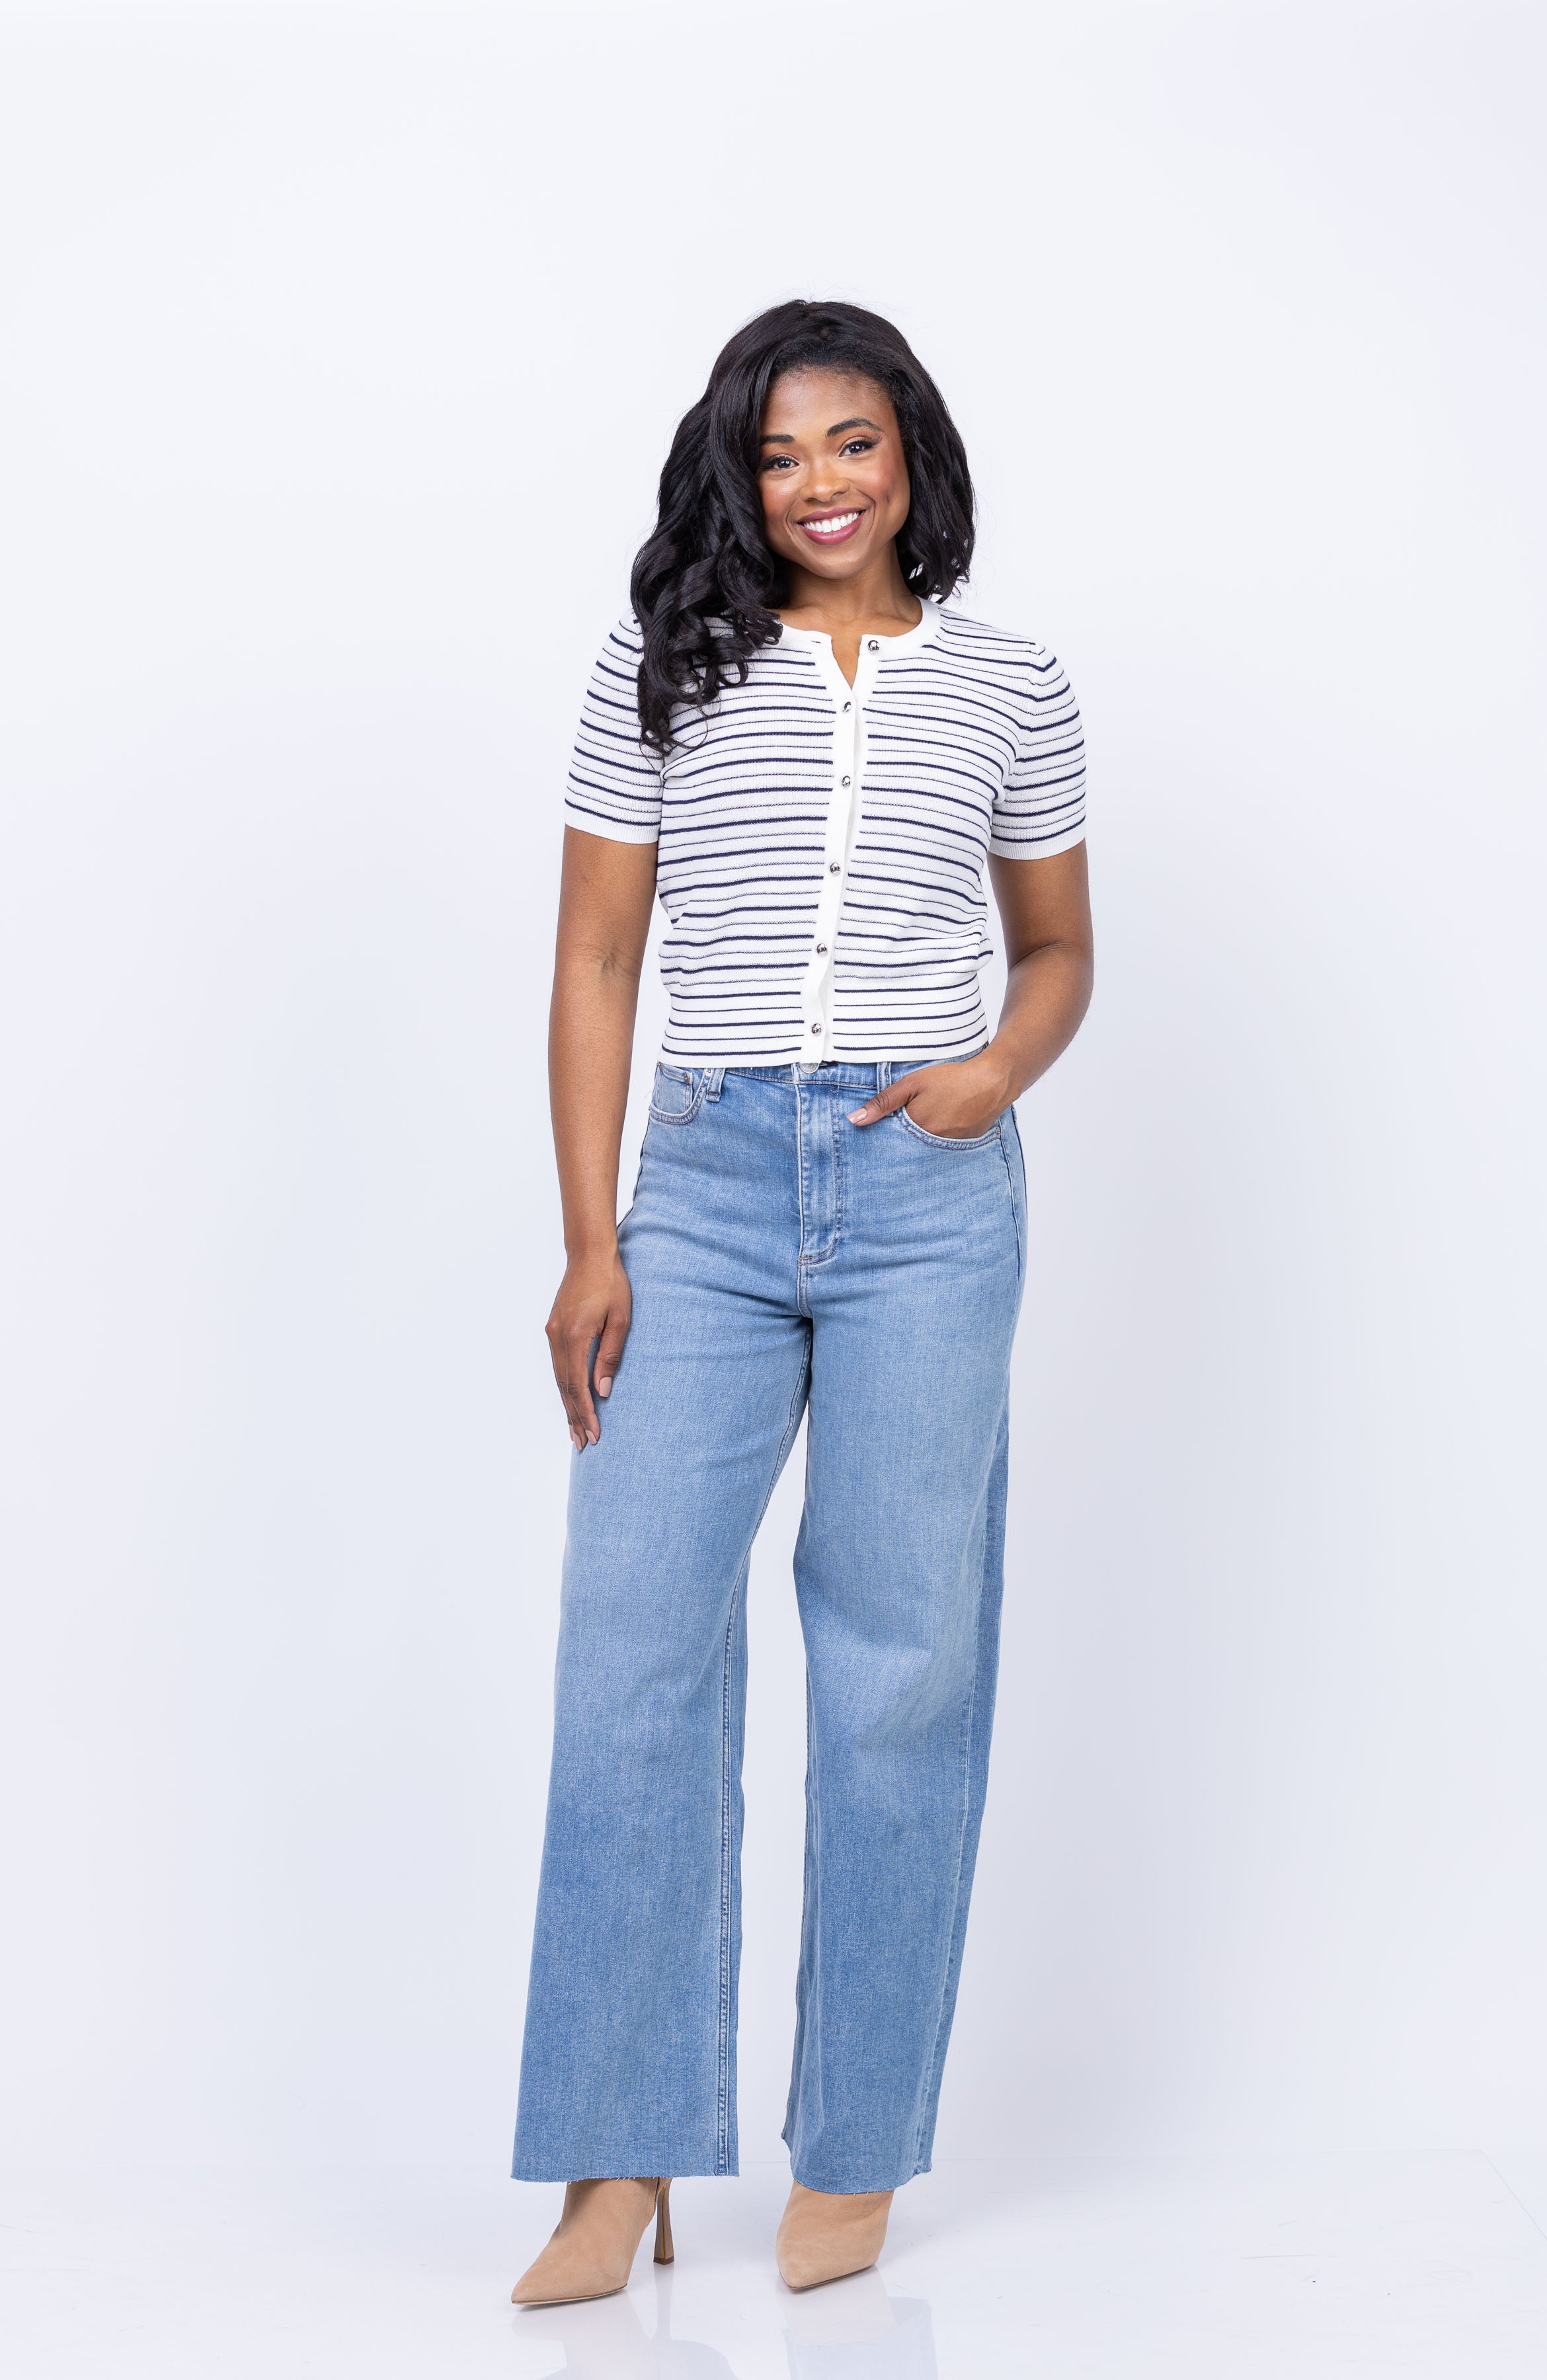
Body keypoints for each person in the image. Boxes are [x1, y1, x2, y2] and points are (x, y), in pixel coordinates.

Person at [509, 299, 1093, 2307]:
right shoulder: (661, 670)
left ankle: (856, 2148)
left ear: (911, 449)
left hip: (930, 1189)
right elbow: (596, 963)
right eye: (776, 455)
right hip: (706, 1184)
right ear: (736, 479)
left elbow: (1058, 951)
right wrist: (593, 1240)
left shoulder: (1011, 684)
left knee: (901, 1657)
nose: (818, 485)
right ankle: (617, 2161)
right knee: (633, 1650)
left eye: (851, 443)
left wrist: (990, 1078)